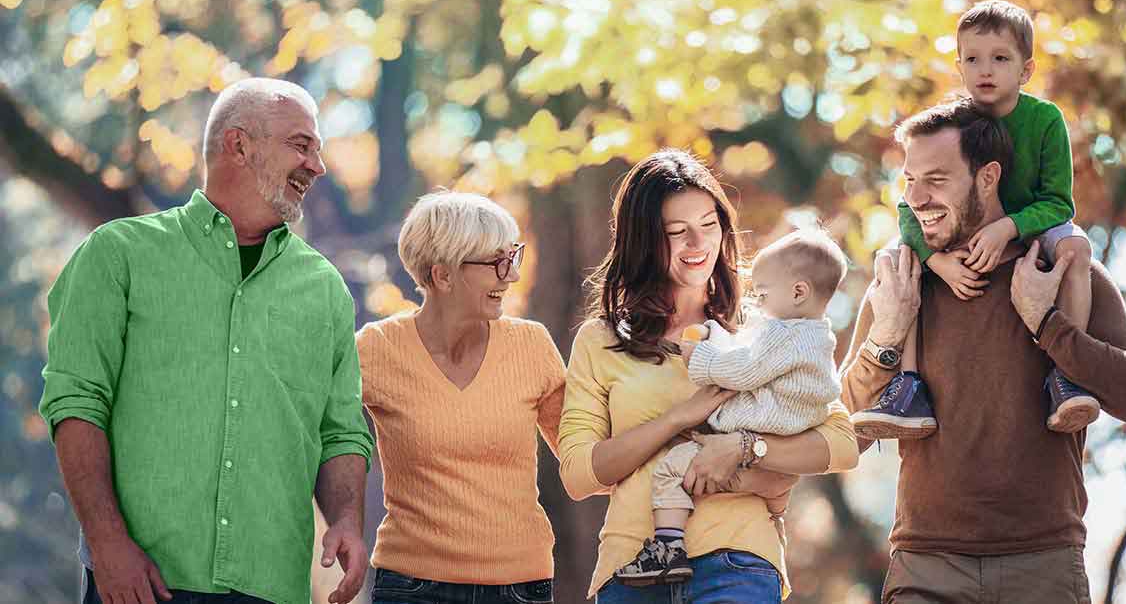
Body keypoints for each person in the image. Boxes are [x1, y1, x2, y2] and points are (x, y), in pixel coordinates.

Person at [39, 77, 374, 604]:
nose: (318, 166)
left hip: (272, 587)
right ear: (239, 144)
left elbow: (341, 433)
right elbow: (76, 403)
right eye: (301, 145)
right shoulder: (118, 255)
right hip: (142, 583)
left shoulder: (325, 289)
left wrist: (348, 521)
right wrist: (107, 545)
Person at [841, 99, 1126, 602]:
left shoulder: (1062, 274)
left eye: (937, 180)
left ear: (988, 177)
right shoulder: (901, 283)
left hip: (1044, 564)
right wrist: (885, 337)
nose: (916, 199)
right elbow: (841, 430)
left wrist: (1047, 323)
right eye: (908, 181)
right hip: (925, 566)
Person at [558, 149, 860, 603]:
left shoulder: (768, 325)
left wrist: (745, 448)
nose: (698, 244)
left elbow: (841, 445)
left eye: (709, 225)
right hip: (631, 568)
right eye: (677, 233)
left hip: (737, 559)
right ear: (642, 241)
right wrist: (680, 418)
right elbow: (580, 475)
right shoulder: (601, 341)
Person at [858, 0, 1098, 440]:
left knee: (1076, 247)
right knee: (899, 260)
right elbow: (910, 205)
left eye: (1000, 59)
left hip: (1031, 230)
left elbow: (1060, 203)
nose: (985, 70)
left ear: (1026, 70)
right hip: (955, 239)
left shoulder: (1045, 120)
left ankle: (1067, 374)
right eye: (973, 59)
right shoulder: (956, 122)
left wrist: (1008, 227)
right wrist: (935, 260)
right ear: (960, 66)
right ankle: (907, 388)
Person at [356, 191, 564, 604]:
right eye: (495, 263)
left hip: (520, 587)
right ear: (442, 276)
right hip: (411, 586)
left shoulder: (532, 346)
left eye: (513, 256)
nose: (511, 275)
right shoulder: (376, 348)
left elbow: (586, 459)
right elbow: (320, 433)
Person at [614, 228, 848, 585]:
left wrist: (700, 357)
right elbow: (749, 351)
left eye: (764, 293)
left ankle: (667, 547)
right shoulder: (816, 336)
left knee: (672, 468)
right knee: (767, 483)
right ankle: (773, 506)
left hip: (763, 420)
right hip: (789, 427)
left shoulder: (782, 334)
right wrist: (717, 335)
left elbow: (746, 369)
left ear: (798, 292)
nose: (758, 301)